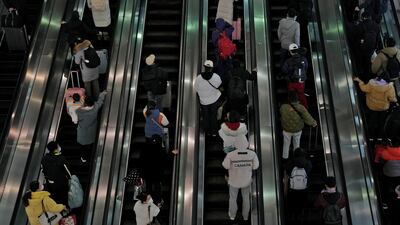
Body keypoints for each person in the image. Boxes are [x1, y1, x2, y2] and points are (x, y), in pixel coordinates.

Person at [354, 73, 397, 139]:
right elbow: (392, 99)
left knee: (372, 119)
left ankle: (370, 134)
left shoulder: (372, 84)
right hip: (383, 108)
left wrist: (360, 81)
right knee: (381, 121)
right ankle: (380, 135)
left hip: (372, 106)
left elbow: (364, 89)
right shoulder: (389, 87)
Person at [222, 147, 259, 222]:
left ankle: (232, 216)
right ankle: (245, 216)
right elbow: (255, 167)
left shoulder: (230, 154)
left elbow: (225, 166)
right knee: (246, 199)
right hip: (246, 181)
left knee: (233, 198)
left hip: (234, 181)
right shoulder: (252, 154)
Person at [280, 91, 317, 159]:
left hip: (286, 130)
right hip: (297, 130)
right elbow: (307, 117)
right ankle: (296, 158)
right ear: (297, 99)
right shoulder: (301, 108)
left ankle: (285, 157)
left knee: (286, 144)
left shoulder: (283, 107)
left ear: (289, 98)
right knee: (296, 144)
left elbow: (281, 114)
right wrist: (313, 123)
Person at [194, 60, 223, 137]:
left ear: (204, 67)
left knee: (205, 116)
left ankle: (206, 132)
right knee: (213, 115)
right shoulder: (216, 77)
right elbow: (219, 86)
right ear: (212, 68)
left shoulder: (199, 78)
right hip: (214, 99)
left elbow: (196, 89)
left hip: (203, 101)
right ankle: (213, 132)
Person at [76, 91, 107, 162]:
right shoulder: (95, 107)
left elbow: (76, 120)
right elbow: (100, 101)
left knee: (82, 146)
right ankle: (92, 156)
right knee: (90, 145)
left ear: (85, 103)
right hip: (92, 131)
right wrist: (103, 94)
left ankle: (84, 158)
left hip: (83, 132)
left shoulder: (79, 112)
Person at [349, 12, 380, 81]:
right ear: (370, 17)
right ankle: (367, 78)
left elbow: (356, 37)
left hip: (361, 48)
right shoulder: (376, 26)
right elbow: (377, 39)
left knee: (359, 61)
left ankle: (359, 77)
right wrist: (374, 47)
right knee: (367, 62)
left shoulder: (361, 25)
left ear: (363, 17)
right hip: (370, 49)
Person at [41, 141, 70, 206]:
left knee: (55, 195)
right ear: (56, 148)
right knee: (64, 195)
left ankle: (58, 208)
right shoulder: (61, 159)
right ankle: (65, 208)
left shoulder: (44, 158)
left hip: (50, 182)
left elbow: (43, 170)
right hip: (61, 182)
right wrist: (70, 178)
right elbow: (68, 171)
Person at [282, 43, 309, 108]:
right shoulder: (304, 59)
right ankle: (304, 107)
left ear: (290, 51)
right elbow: (306, 68)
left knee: (292, 95)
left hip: (292, 82)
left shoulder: (288, 61)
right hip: (301, 81)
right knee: (301, 94)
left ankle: (293, 108)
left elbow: (284, 70)